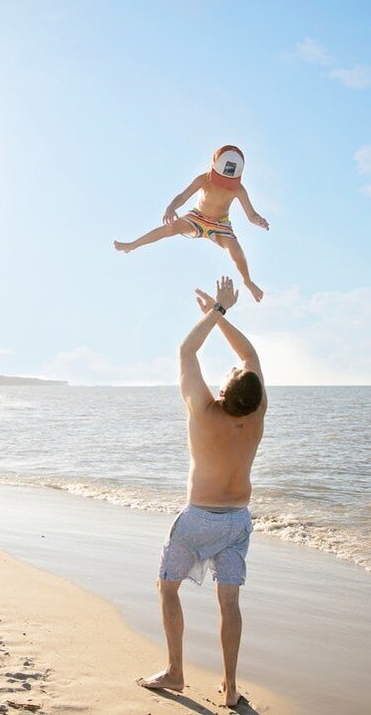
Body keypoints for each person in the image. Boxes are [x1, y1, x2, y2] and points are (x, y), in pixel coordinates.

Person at [137, 276, 267, 707]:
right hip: (237, 521)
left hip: (198, 520)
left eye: (229, 375)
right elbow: (248, 356)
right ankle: (229, 689)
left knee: (167, 588)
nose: (233, 369)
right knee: (229, 601)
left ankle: (175, 672)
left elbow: (186, 351)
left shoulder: (203, 412)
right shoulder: (257, 412)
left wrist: (216, 311)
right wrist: (220, 312)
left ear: (224, 390)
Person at [113, 145, 269, 302]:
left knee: (236, 250)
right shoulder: (203, 179)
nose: (223, 185)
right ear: (213, 167)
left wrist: (258, 220)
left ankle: (248, 281)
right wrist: (171, 208)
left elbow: (251, 214)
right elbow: (182, 197)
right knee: (171, 228)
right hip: (197, 217)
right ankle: (133, 245)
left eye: (228, 182)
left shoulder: (239, 190)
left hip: (220, 224)